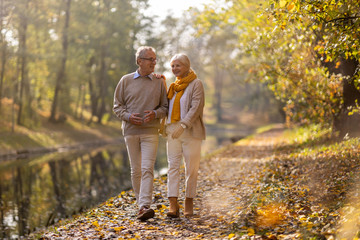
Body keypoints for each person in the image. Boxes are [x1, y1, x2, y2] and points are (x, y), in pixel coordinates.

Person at [113, 46, 168, 221]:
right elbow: (117, 106)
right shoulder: (125, 80)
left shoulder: (159, 81)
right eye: (150, 59)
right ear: (139, 61)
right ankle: (140, 206)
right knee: (136, 170)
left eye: (155, 59)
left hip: (151, 131)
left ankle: (145, 205)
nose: (154, 62)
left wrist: (156, 114)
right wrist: (128, 116)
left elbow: (165, 107)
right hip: (130, 131)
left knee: (147, 169)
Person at [165, 53, 206, 218]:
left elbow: (197, 107)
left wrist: (183, 125)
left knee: (191, 169)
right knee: (172, 167)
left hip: (191, 132)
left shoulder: (196, 84)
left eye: (178, 65)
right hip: (172, 132)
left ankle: (189, 201)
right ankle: (173, 204)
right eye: (173, 66)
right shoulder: (173, 86)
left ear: (187, 66)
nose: (175, 69)